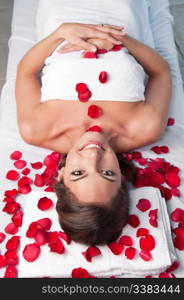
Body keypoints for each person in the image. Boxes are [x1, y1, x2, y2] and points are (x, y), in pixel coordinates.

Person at [15, 1, 172, 245]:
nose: (93, 156)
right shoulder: (145, 127)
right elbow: (161, 71)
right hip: (122, 14)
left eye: (79, 173)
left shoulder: (37, 129)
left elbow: (25, 71)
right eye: (107, 172)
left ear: (61, 177)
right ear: (122, 180)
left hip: (61, 11)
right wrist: (119, 38)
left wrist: (61, 33)